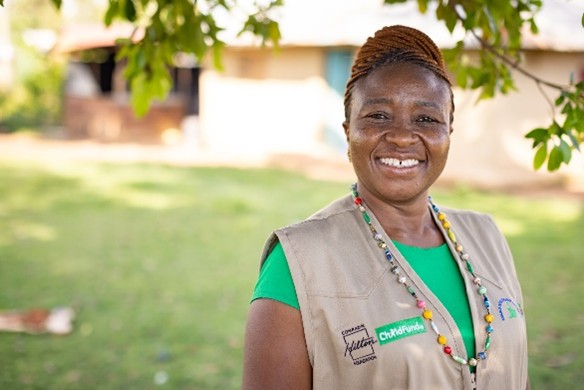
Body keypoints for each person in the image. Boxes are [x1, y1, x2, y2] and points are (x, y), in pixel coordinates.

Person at [242, 25, 529, 390]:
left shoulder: (486, 237)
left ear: (448, 134)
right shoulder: (297, 262)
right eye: (378, 116)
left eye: (426, 119)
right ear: (348, 131)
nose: (402, 136)